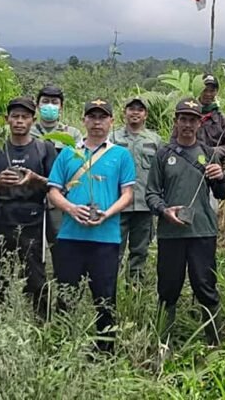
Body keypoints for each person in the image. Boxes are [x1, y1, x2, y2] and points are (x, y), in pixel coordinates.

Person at [47, 98, 135, 351]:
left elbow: (127, 194)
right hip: (70, 237)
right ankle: (63, 348)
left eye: (103, 117)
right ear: (84, 120)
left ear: (111, 121)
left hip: (105, 238)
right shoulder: (68, 153)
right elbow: (53, 191)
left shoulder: (120, 155)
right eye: (92, 117)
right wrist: (71, 208)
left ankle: (105, 352)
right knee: (66, 296)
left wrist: (107, 213)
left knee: (105, 299)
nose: (97, 122)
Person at [146, 98, 225, 345]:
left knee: (205, 287)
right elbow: (151, 193)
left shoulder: (207, 153)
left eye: (192, 120)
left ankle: (214, 344)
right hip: (170, 234)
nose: (187, 125)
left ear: (199, 124)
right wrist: (164, 210)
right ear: (176, 121)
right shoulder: (163, 154)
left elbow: (221, 193)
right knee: (168, 290)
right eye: (183, 119)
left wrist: (221, 177)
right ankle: (163, 345)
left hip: (203, 231)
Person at [0, 98, 56, 316]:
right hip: (1, 220)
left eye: (25, 117)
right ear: (7, 119)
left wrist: (35, 179)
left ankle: (43, 326)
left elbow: (56, 185)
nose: (19, 121)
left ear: (33, 120)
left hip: (33, 221)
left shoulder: (44, 149)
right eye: (15, 116)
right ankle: (1, 325)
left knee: (36, 279)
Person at [109, 96, 163, 282]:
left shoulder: (154, 140)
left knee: (140, 252)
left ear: (145, 114)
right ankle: (109, 290)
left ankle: (135, 290)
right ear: (124, 113)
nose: (135, 112)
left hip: (144, 205)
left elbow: (160, 172)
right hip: (117, 204)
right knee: (114, 249)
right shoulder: (113, 138)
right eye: (131, 109)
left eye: (139, 109)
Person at [30, 84, 84, 243]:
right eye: (45, 101)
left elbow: (79, 164)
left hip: (62, 194)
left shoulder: (72, 134)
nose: (49, 106)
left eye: (54, 102)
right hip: (31, 194)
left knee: (60, 240)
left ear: (61, 107)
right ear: (38, 105)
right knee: (32, 242)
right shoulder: (28, 131)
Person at [171, 74, 225, 168]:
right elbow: (173, 141)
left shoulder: (222, 119)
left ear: (216, 92)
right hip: (187, 163)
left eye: (212, 91)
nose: (208, 94)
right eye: (205, 90)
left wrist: (210, 152)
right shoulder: (187, 113)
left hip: (213, 166)